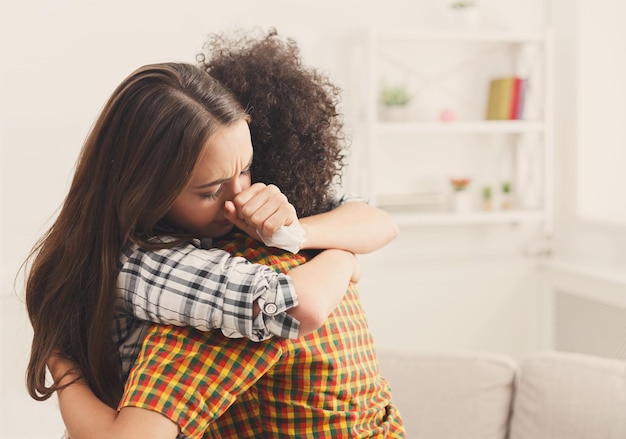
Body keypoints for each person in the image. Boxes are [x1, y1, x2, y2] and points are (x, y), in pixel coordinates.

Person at [48, 29, 405, 438]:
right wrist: (342, 257)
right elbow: (297, 304)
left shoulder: (243, 233)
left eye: (247, 168)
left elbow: (380, 222)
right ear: (144, 193)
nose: (239, 199)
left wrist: (296, 233)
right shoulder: (156, 265)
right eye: (210, 190)